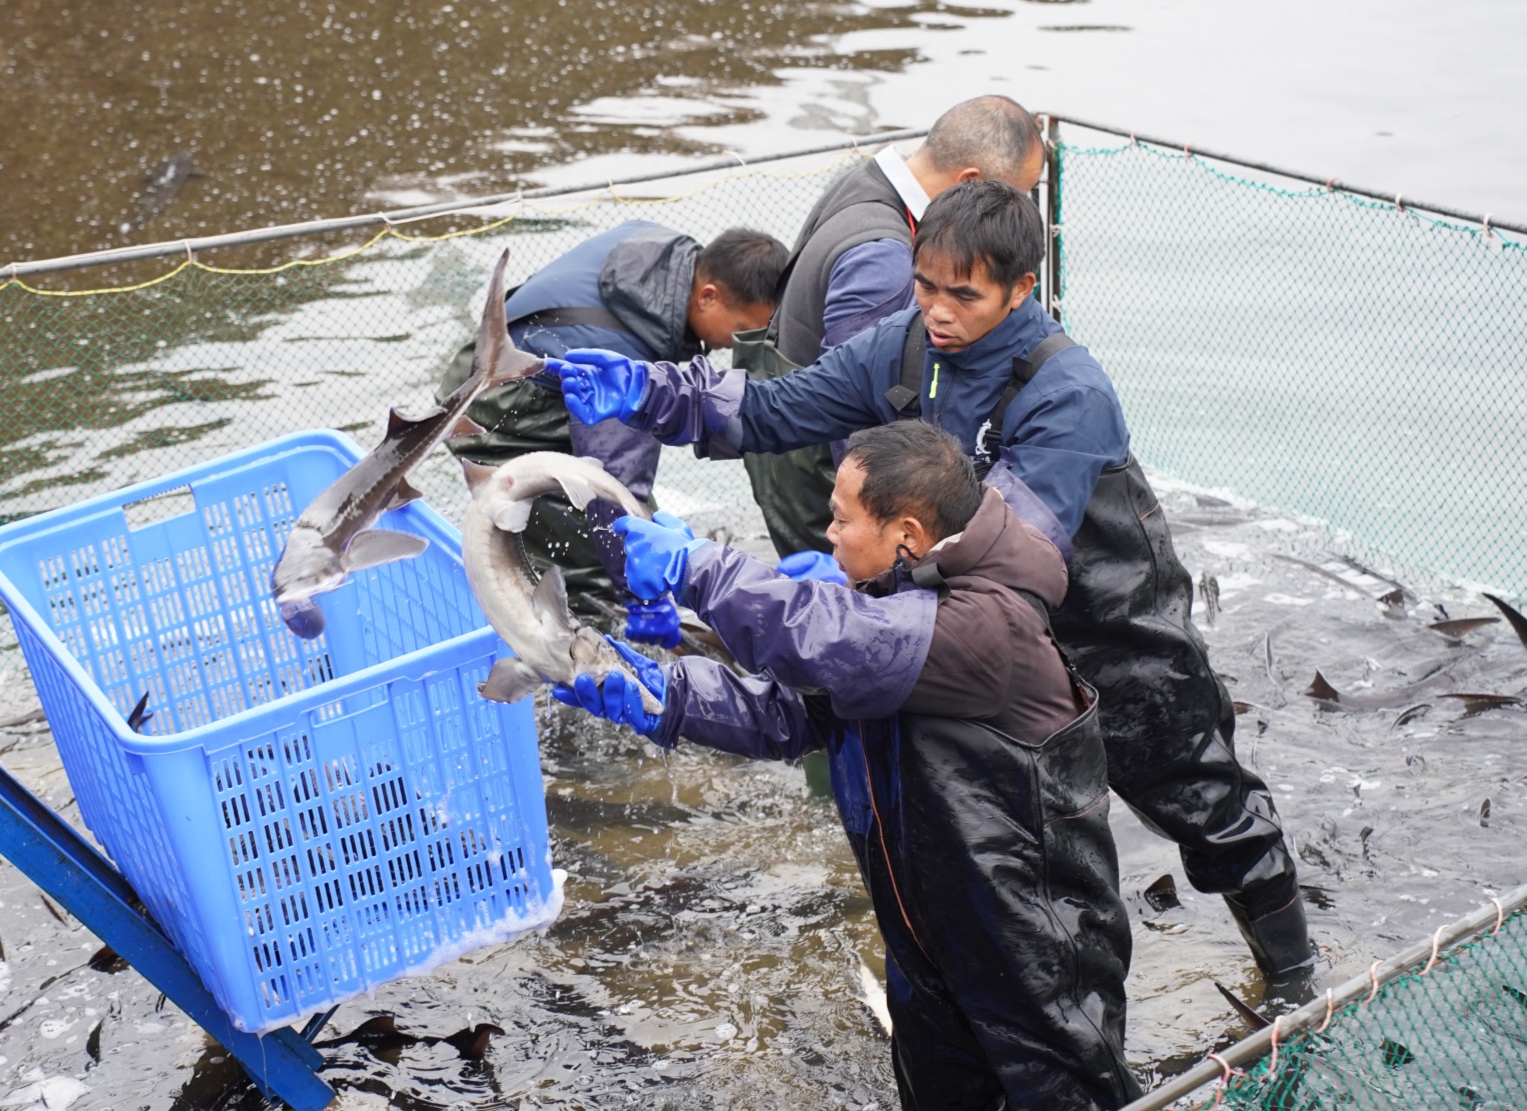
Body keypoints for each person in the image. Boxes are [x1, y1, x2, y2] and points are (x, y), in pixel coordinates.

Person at [549, 180, 1313, 978]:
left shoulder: (1067, 391)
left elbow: (1014, 550)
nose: (939, 311)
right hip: (979, 647)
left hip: (1111, 631)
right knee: (1022, 843)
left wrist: (837, 589)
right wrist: (656, 393)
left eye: (964, 294)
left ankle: (1294, 974)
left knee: (1206, 802)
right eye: (925, 286)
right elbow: (779, 408)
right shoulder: (907, 344)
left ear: (1022, 289)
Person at [557, 419, 1140, 1109]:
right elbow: (790, 712)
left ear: (908, 538)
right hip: (925, 938)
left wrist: (699, 568)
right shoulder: (898, 599)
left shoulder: (984, 626)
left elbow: (833, 637)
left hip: (1035, 947)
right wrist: (666, 697)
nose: (827, 535)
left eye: (841, 520)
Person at [740, 94, 1045, 566]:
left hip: (790, 446)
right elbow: (860, 416)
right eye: (1015, 195)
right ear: (971, 186)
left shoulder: (863, 181)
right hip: (830, 482)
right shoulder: (884, 256)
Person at [441, 220, 786, 626]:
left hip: (500, 365)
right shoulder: (626, 347)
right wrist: (640, 598)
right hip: (496, 406)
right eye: (744, 329)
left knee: (640, 525)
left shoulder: (666, 257)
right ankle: (580, 652)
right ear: (708, 296)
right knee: (593, 567)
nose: (737, 343)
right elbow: (611, 483)